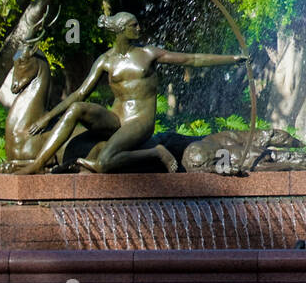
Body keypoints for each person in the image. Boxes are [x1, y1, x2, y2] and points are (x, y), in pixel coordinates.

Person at [20, 11, 246, 174]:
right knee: (77, 108)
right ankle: (38, 164)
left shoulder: (148, 54)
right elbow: (80, 94)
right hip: (116, 118)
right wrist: (47, 117)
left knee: (105, 163)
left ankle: (156, 152)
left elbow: (192, 59)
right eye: (134, 25)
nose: (139, 29)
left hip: (140, 120)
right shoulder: (105, 60)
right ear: (121, 30)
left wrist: (231, 59)